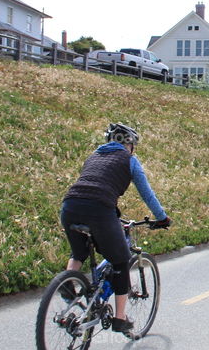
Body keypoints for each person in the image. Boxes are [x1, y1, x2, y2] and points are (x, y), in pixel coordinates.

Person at [60, 123, 170, 334]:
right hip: (99, 210)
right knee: (120, 261)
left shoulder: (93, 156)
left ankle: (67, 286)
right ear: (130, 145)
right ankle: (120, 319)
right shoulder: (130, 160)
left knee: (79, 252)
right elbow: (147, 194)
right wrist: (162, 218)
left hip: (70, 206)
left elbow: (92, 183)